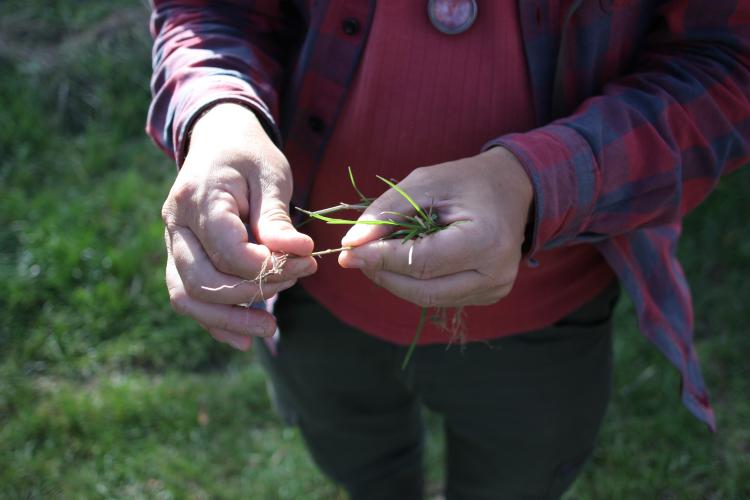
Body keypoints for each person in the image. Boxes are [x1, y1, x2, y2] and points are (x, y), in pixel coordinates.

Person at [147, 1, 750, 498]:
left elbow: (728, 63)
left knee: (518, 481)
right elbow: (211, 11)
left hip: (542, 314)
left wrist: (532, 181)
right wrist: (219, 115)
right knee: (361, 465)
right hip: (311, 303)